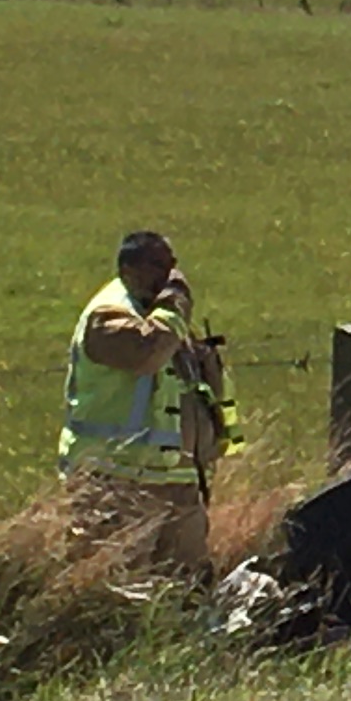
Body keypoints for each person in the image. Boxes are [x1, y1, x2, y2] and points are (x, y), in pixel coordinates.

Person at [62, 229, 231, 577]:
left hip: (172, 479)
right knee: (114, 582)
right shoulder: (109, 315)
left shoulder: (162, 315)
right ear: (127, 268)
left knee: (186, 581)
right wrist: (175, 308)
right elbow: (147, 352)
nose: (169, 276)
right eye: (157, 265)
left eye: (172, 265)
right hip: (114, 478)